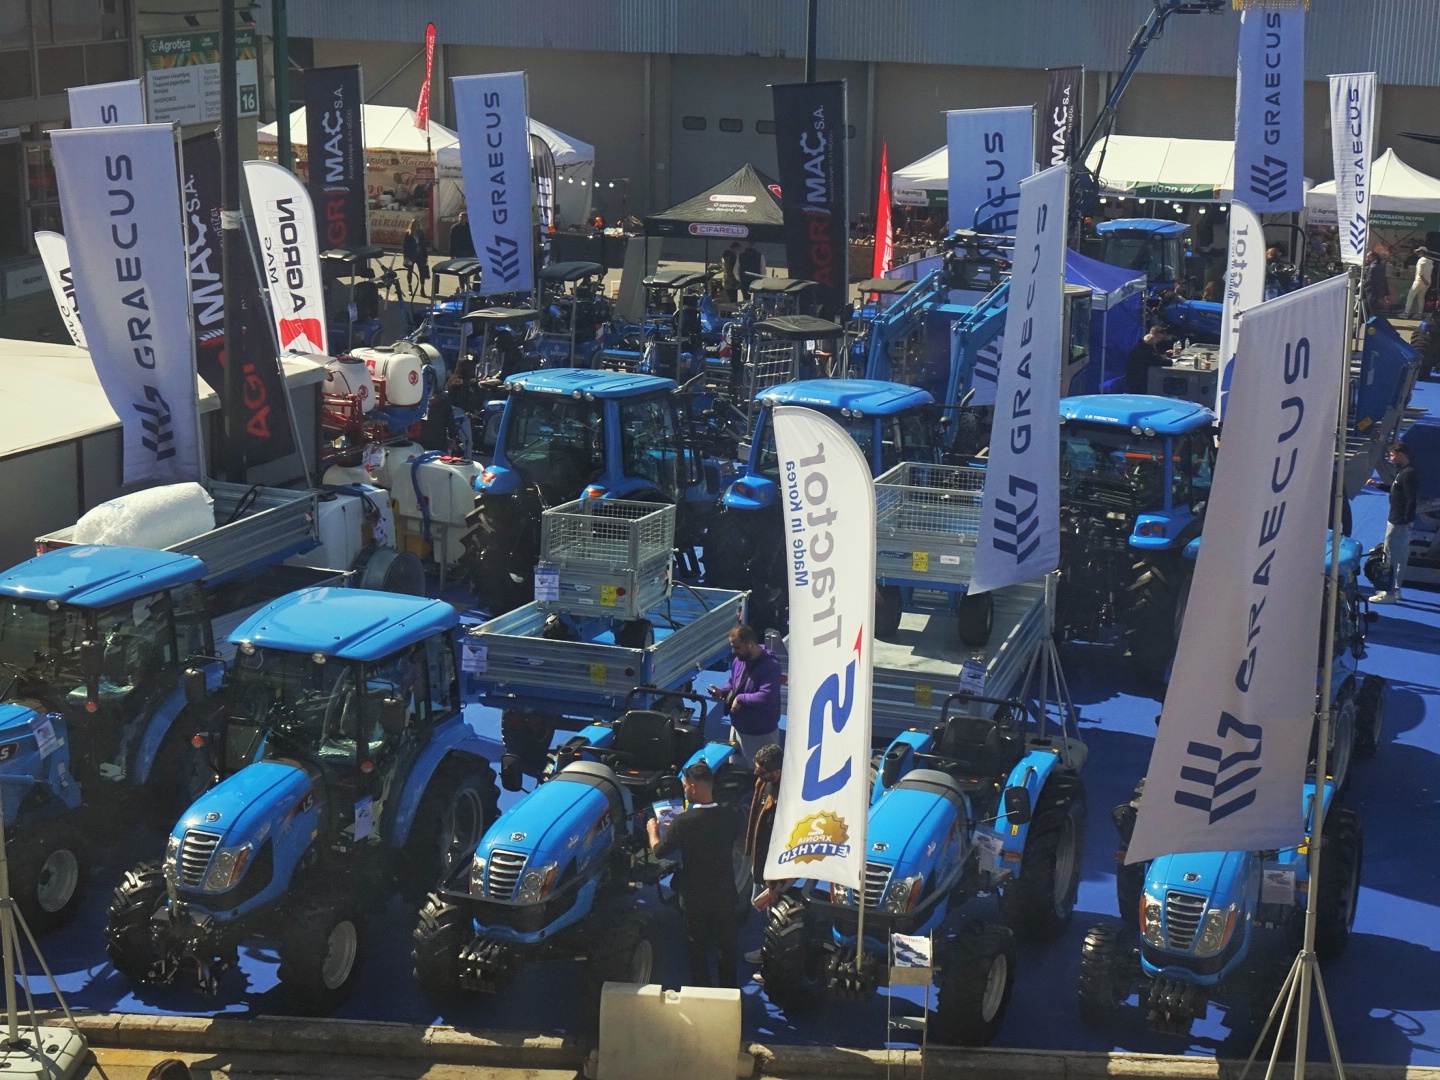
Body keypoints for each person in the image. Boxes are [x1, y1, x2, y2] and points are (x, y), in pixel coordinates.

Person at [646, 762, 741, 988]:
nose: (685, 790)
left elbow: (659, 851)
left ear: (693, 787)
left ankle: (701, 992)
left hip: (694, 896)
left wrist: (652, 831)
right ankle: (729, 993)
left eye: (685, 786)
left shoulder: (683, 822)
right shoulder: (731, 815)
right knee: (726, 948)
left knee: (697, 948)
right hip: (724, 892)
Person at [708, 624, 782, 764]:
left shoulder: (770, 666)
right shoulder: (739, 660)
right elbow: (733, 683)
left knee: (760, 773)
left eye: (737, 647)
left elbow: (766, 697)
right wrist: (722, 692)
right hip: (737, 729)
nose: (733, 651)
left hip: (760, 734)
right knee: (735, 771)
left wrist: (740, 698)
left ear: (750, 644)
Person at [741, 741, 783, 964]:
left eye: (762, 771)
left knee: (774, 914)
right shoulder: (763, 782)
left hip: (774, 869)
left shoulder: (786, 798)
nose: (756, 774)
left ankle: (771, 956)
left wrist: (777, 883)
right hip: (760, 859)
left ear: (778, 772)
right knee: (760, 906)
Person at [1366, 441, 1419, 604]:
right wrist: (1378, 485)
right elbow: (1396, 489)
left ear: (1400, 455)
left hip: (1398, 521)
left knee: (1391, 556)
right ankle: (1395, 590)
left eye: (1392, 455)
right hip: (1402, 521)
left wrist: (1406, 520)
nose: (1390, 458)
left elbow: (1411, 500)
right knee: (1401, 556)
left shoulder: (1407, 474)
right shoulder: (1404, 472)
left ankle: (1387, 593)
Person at [1125, 324, 1172, 395]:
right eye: (1158, 338)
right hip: (1139, 381)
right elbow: (1159, 360)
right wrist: (1168, 359)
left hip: (1133, 378)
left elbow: (1155, 356)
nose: (1158, 341)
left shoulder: (1138, 347)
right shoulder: (1147, 351)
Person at [403, 218, 431, 298]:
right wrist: (406, 257)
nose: (416, 226)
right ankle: (410, 287)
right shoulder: (408, 234)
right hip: (411, 255)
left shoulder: (421, 233)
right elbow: (405, 246)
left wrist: (425, 257)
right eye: (415, 225)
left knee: (422, 272)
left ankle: (422, 289)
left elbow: (423, 245)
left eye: (417, 224)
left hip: (420, 255)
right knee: (410, 271)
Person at [1405, 247, 1434, 319]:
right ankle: (1419, 314)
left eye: (1419, 252)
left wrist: (1424, 280)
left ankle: (1406, 313)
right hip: (1427, 282)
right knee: (1421, 298)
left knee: (1410, 296)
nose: (1418, 254)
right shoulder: (1430, 262)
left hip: (1419, 281)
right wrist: (1426, 282)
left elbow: (1420, 273)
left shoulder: (1421, 260)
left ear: (1422, 252)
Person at [1363, 250, 1390, 319]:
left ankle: (1372, 324)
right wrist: (1386, 293)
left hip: (1372, 294)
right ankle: (1367, 324)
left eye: (1368, 257)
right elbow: (1384, 280)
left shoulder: (1374, 267)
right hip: (1374, 295)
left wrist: (1360, 287)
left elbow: (1369, 280)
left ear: (1372, 257)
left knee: (1373, 313)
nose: (1366, 259)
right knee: (1368, 313)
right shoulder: (1379, 266)